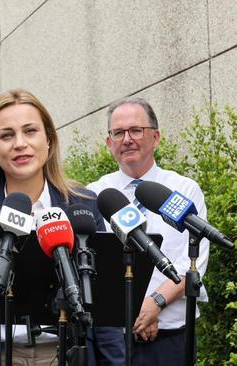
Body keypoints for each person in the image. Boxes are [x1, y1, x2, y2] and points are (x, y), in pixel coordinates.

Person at [0, 88, 105, 366]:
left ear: (49, 140)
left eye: (30, 131)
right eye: (6, 135)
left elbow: (104, 308)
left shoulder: (83, 207)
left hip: (68, 353)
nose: (20, 143)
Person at [87, 96, 209, 365]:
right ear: (109, 143)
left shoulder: (183, 190)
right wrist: (130, 313)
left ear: (155, 137)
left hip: (171, 337)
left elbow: (191, 262)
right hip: (112, 341)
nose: (127, 139)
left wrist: (154, 304)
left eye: (136, 130)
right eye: (118, 133)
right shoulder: (96, 194)